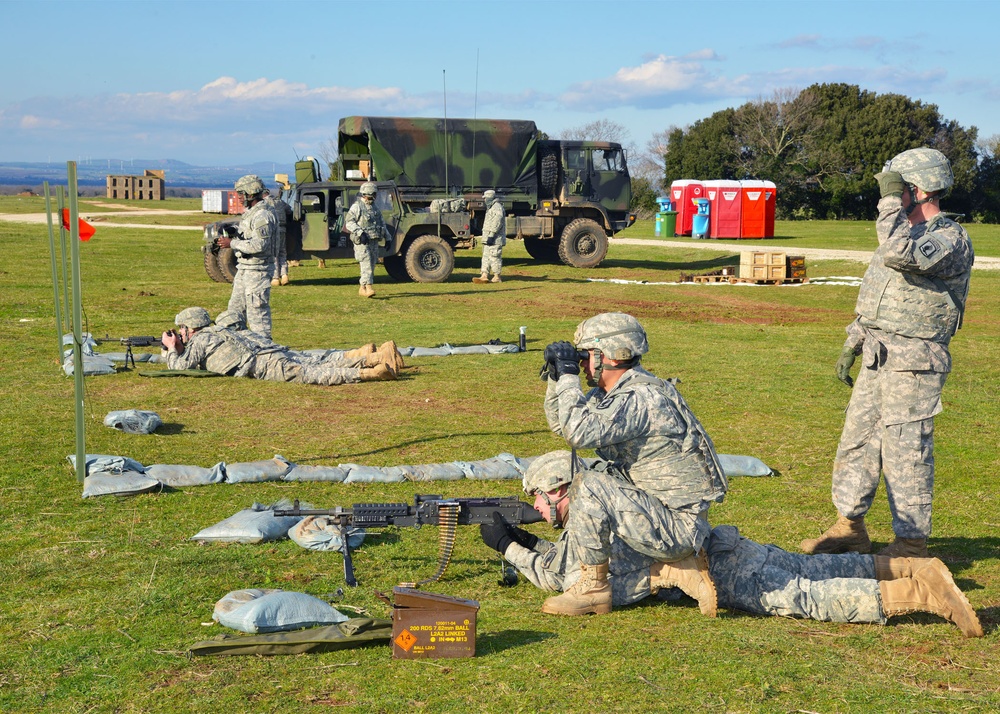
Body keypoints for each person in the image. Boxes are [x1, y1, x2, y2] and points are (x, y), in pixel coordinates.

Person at [478, 451, 982, 637]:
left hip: (719, 572)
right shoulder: (611, 496)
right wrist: (527, 540)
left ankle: (925, 594)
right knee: (811, 572)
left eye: (541, 500)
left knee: (806, 597)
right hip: (725, 544)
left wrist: (510, 546)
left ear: (563, 490)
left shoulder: (594, 517)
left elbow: (565, 578)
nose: (540, 511)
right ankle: (916, 569)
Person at [801, 148, 975, 559]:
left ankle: (911, 544)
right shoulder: (901, 232)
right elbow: (877, 294)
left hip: (915, 364)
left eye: (898, 188)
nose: (891, 196)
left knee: (905, 451)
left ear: (918, 189)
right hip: (879, 356)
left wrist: (888, 204)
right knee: (857, 443)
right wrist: (853, 340)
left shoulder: (948, 238)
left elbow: (898, 254)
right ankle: (850, 526)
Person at [537, 312, 728, 616]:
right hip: (655, 514)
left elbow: (577, 432)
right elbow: (563, 425)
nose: (583, 365)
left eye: (585, 357)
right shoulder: (615, 393)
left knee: (588, 483)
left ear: (609, 357)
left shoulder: (641, 398)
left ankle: (596, 589)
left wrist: (570, 375)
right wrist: (557, 377)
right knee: (569, 576)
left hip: (675, 527)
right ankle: (668, 574)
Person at [160, 307, 400, 385]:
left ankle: (370, 372)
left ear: (189, 328)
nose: (180, 333)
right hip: (268, 352)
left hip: (261, 364)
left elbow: (178, 367)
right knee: (316, 362)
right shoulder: (218, 330)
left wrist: (171, 347)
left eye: (181, 329)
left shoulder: (200, 339)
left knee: (313, 374)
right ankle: (375, 357)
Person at [216, 175, 278, 338]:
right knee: (234, 314)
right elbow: (249, 235)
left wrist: (232, 243)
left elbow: (259, 245)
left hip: (258, 271)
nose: (239, 197)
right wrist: (234, 232)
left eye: (241, 193)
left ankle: (267, 352)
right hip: (244, 269)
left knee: (257, 316)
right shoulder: (252, 213)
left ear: (251, 194)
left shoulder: (263, 215)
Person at [344, 182, 391, 298]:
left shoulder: (374, 207)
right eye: (374, 193)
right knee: (366, 263)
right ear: (369, 193)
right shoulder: (357, 207)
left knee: (372, 263)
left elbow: (382, 223)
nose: (375, 196)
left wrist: (388, 238)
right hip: (362, 241)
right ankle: (369, 287)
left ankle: (362, 287)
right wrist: (360, 233)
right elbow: (349, 222)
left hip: (374, 240)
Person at [473, 190, 506, 284]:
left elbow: (497, 222)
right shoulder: (490, 207)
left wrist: (491, 235)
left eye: (486, 198)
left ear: (490, 198)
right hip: (488, 237)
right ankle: (484, 275)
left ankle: (497, 276)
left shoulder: (497, 207)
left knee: (494, 256)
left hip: (495, 238)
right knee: (486, 256)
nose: (484, 200)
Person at [263, 188, 292, 288]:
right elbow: (289, 210)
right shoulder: (280, 201)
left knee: (274, 254)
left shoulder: (264, 203)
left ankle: (275, 278)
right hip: (283, 229)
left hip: (273, 231)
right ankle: (284, 276)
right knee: (282, 253)